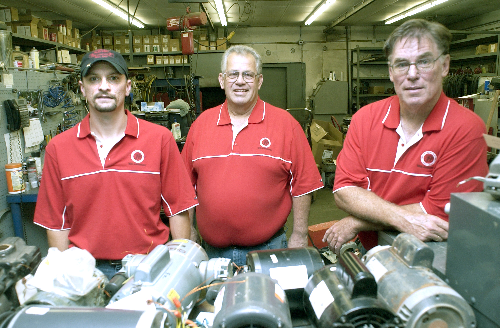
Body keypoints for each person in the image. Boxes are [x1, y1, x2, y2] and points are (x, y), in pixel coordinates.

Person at [323, 19, 488, 254]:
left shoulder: (466, 129)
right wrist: (402, 218)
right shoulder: (365, 119)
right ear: (391, 72)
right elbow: (344, 192)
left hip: (435, 257)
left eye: (424, 61)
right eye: (401, 64)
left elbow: (438, 214)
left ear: (444, 65)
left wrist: (358, 221)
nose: (412, 74)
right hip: (374, 254)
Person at [34, 49, 198, 278]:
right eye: (94, 79)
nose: (103, 86)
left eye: (113, 78)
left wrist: (178, 272)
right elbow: (57, 225)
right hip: (86, 273)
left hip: (148, 268)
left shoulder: (159, 139)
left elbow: (178, 210)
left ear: (127, 87)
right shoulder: (58, 149)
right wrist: (67, 281)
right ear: (82, 89)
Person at [181, 45, 323, 267]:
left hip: (270, 250)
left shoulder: (286, 125)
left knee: (271, 301)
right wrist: (188, 231)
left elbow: (304, 185)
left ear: (259, 81)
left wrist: (299, 235)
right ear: (221, 80)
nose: (240, 81)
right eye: (233, 74)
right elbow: (184, 186)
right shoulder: (201, 125)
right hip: (212, 254)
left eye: (248, 74)